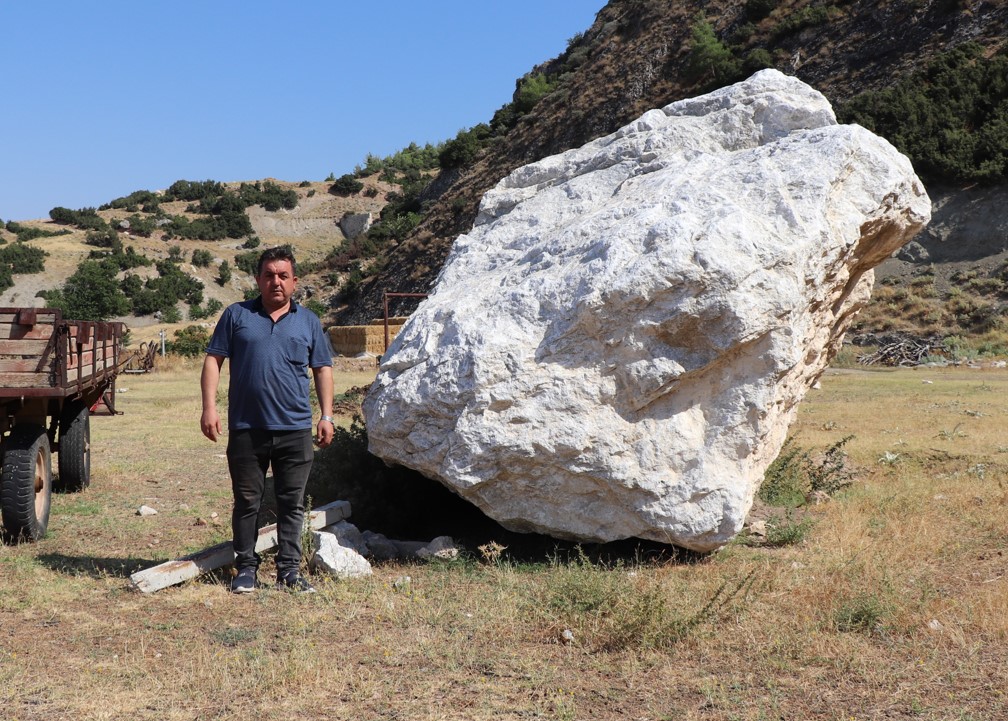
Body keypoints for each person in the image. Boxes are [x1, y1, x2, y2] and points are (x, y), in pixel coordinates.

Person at [200, 246, 334, 594]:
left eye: (283, 275)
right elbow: (214, 360)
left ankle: (289, 571)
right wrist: (209, 408)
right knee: (247, 502)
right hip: (246, 428)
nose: (276, 281)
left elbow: (322, 368)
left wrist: (327, 415)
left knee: (292, 503)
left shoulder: (309, 321)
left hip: (294, 429)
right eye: (269, 275)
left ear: (295, 281)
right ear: (258, 279)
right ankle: (245, 569)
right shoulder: (236, 315)